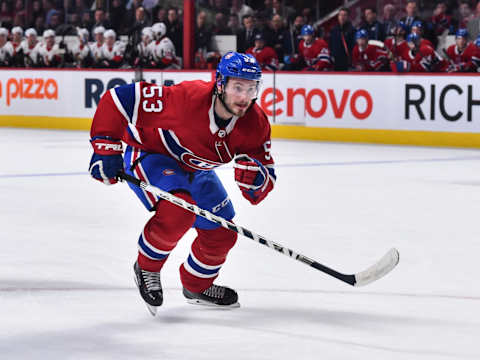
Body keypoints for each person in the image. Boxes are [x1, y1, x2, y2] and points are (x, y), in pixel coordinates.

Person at [88, 51, 276, 314]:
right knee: (179, 211)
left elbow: (264, 181)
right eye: (237, 87)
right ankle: (147, 268)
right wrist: (106, 146)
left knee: (222, 232)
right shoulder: (187, 99)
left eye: (251, 88)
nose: (244, 97)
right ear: (220, 83)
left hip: (195, 168)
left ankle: (196, 285)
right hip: (152, 153)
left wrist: (256, 179)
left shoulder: (256, 124)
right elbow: (117, 99)